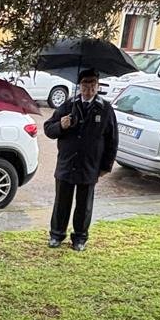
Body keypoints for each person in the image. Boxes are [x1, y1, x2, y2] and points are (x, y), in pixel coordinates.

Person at [43, 67, 118, 250]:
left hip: (90, 165)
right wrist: (61, 125)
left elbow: (112, 140)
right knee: (62, 201)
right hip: (67, 163)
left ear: (98, 85)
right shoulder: (69, 105)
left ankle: (80, 237)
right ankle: (57, 234)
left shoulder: (105, 109)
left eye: (93, 83)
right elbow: (48, 129)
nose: (89, 87)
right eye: (85, 83)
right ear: (80, 85)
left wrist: (105, 167)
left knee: (84, 205)